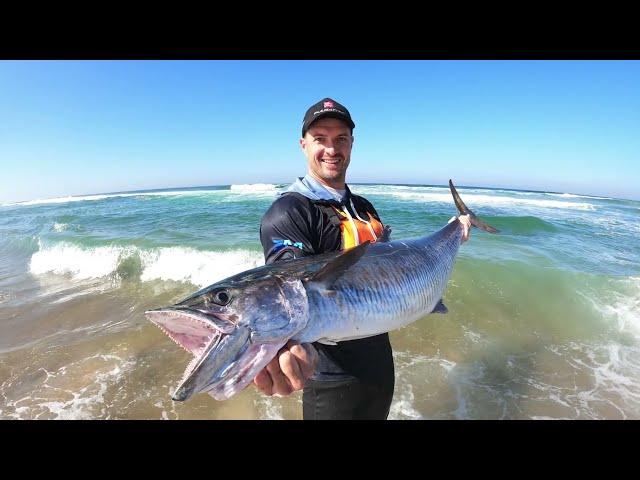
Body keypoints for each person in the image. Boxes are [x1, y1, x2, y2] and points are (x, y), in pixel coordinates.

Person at [252, 97, 471, 419]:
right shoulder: (289, 211)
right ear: (303, 145)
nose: (331, 149)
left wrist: (455, 231)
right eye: (320, 139)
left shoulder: (363, 206)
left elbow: (390, 265)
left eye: (340, 139)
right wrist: (279, 344)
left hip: (379, 360)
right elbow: (285, 282)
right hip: (331, 376)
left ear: (352, 144)